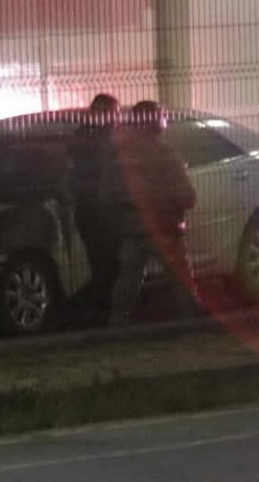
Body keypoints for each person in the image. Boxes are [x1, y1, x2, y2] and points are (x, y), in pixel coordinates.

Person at [106, 100, 198, 327]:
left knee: (128, 279)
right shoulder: (166, 155)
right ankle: (192, 323)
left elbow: (109, 194)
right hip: (165, 227)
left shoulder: (121, 157)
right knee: (180, 280)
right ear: (155, 122)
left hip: (132, 227)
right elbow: (186, 196)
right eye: (162, 117)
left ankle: (117, 324)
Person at [67, 93, 121, 321]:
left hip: (93, 209)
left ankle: (103, 312)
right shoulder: (97, 142)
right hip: (99, 210)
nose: (117, 119)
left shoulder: (84, 137)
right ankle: (104, 314)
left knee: (103, 263)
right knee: (107, 264)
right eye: (114, 114)